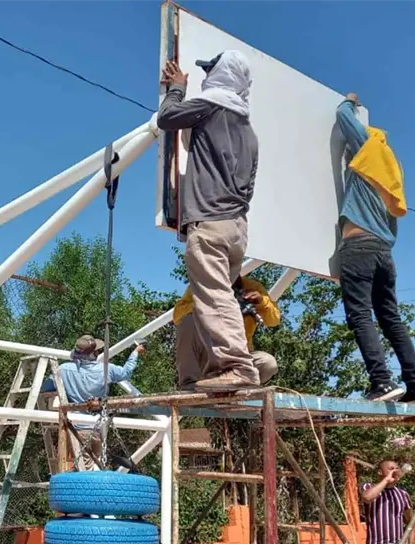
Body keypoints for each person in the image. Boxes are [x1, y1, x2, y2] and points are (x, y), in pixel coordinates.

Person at [157, 51, 260, 392]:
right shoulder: (248, 130)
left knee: (214, 298)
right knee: (215, 301)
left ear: (221, 75)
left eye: (209, 70)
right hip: (236, 227)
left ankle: (237, 367)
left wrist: (176, 88)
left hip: (211, 222)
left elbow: (168, 117)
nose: (204, 77)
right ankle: (220, 369)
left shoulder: (212, 104)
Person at [335, 93, 415, 403]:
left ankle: (381, 381)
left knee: (360, 316)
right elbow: (392, 226)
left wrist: (350, 100)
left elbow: (343, 115)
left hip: (358, 248)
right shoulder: (392, 176)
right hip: (383, 252)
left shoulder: (368, 149)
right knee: (391, 319)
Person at [41, 335, 144, 468]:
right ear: (94, 353)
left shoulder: (64, 369)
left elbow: (44, 388)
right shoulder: (106, 369)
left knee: (85, 471)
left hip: (76, 428)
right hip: (97, 429)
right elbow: (126, 372)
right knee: (93, 470)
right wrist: (135, 352)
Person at [173, 276, 280, 391]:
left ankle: (239, 387)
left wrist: (261, 302)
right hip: (208, 355)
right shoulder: (201, 285)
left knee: (268, 363)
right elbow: (177, 315)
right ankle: (190, 385)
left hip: (239, 358)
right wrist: (209, 305)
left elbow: (274, 320)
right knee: (187, 321)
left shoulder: (251, 287)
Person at [361, 460, 412, 544]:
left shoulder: (403, 494)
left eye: (397, 468)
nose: (395, 471)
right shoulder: (369, 487)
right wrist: (386, 480)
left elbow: (411, 521)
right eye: (391, 469)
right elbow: (367, 497)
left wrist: (411, 542)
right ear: (380, 472)